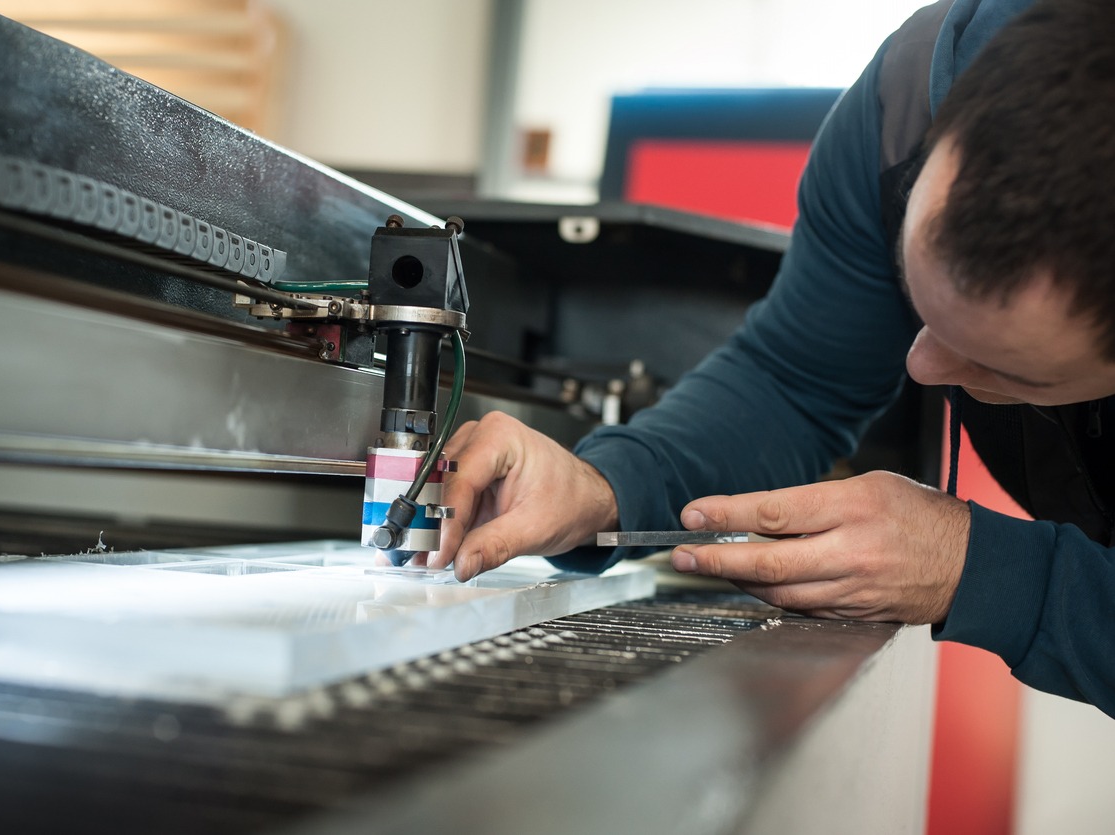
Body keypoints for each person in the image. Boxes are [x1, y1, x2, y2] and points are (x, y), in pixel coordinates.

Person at [426, 0, 1115, 717]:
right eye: (920, 300)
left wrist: (984, 570)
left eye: (1006, 367)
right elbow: (795, 379)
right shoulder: (901, 110)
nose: (922, 367)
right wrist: (608, 484)